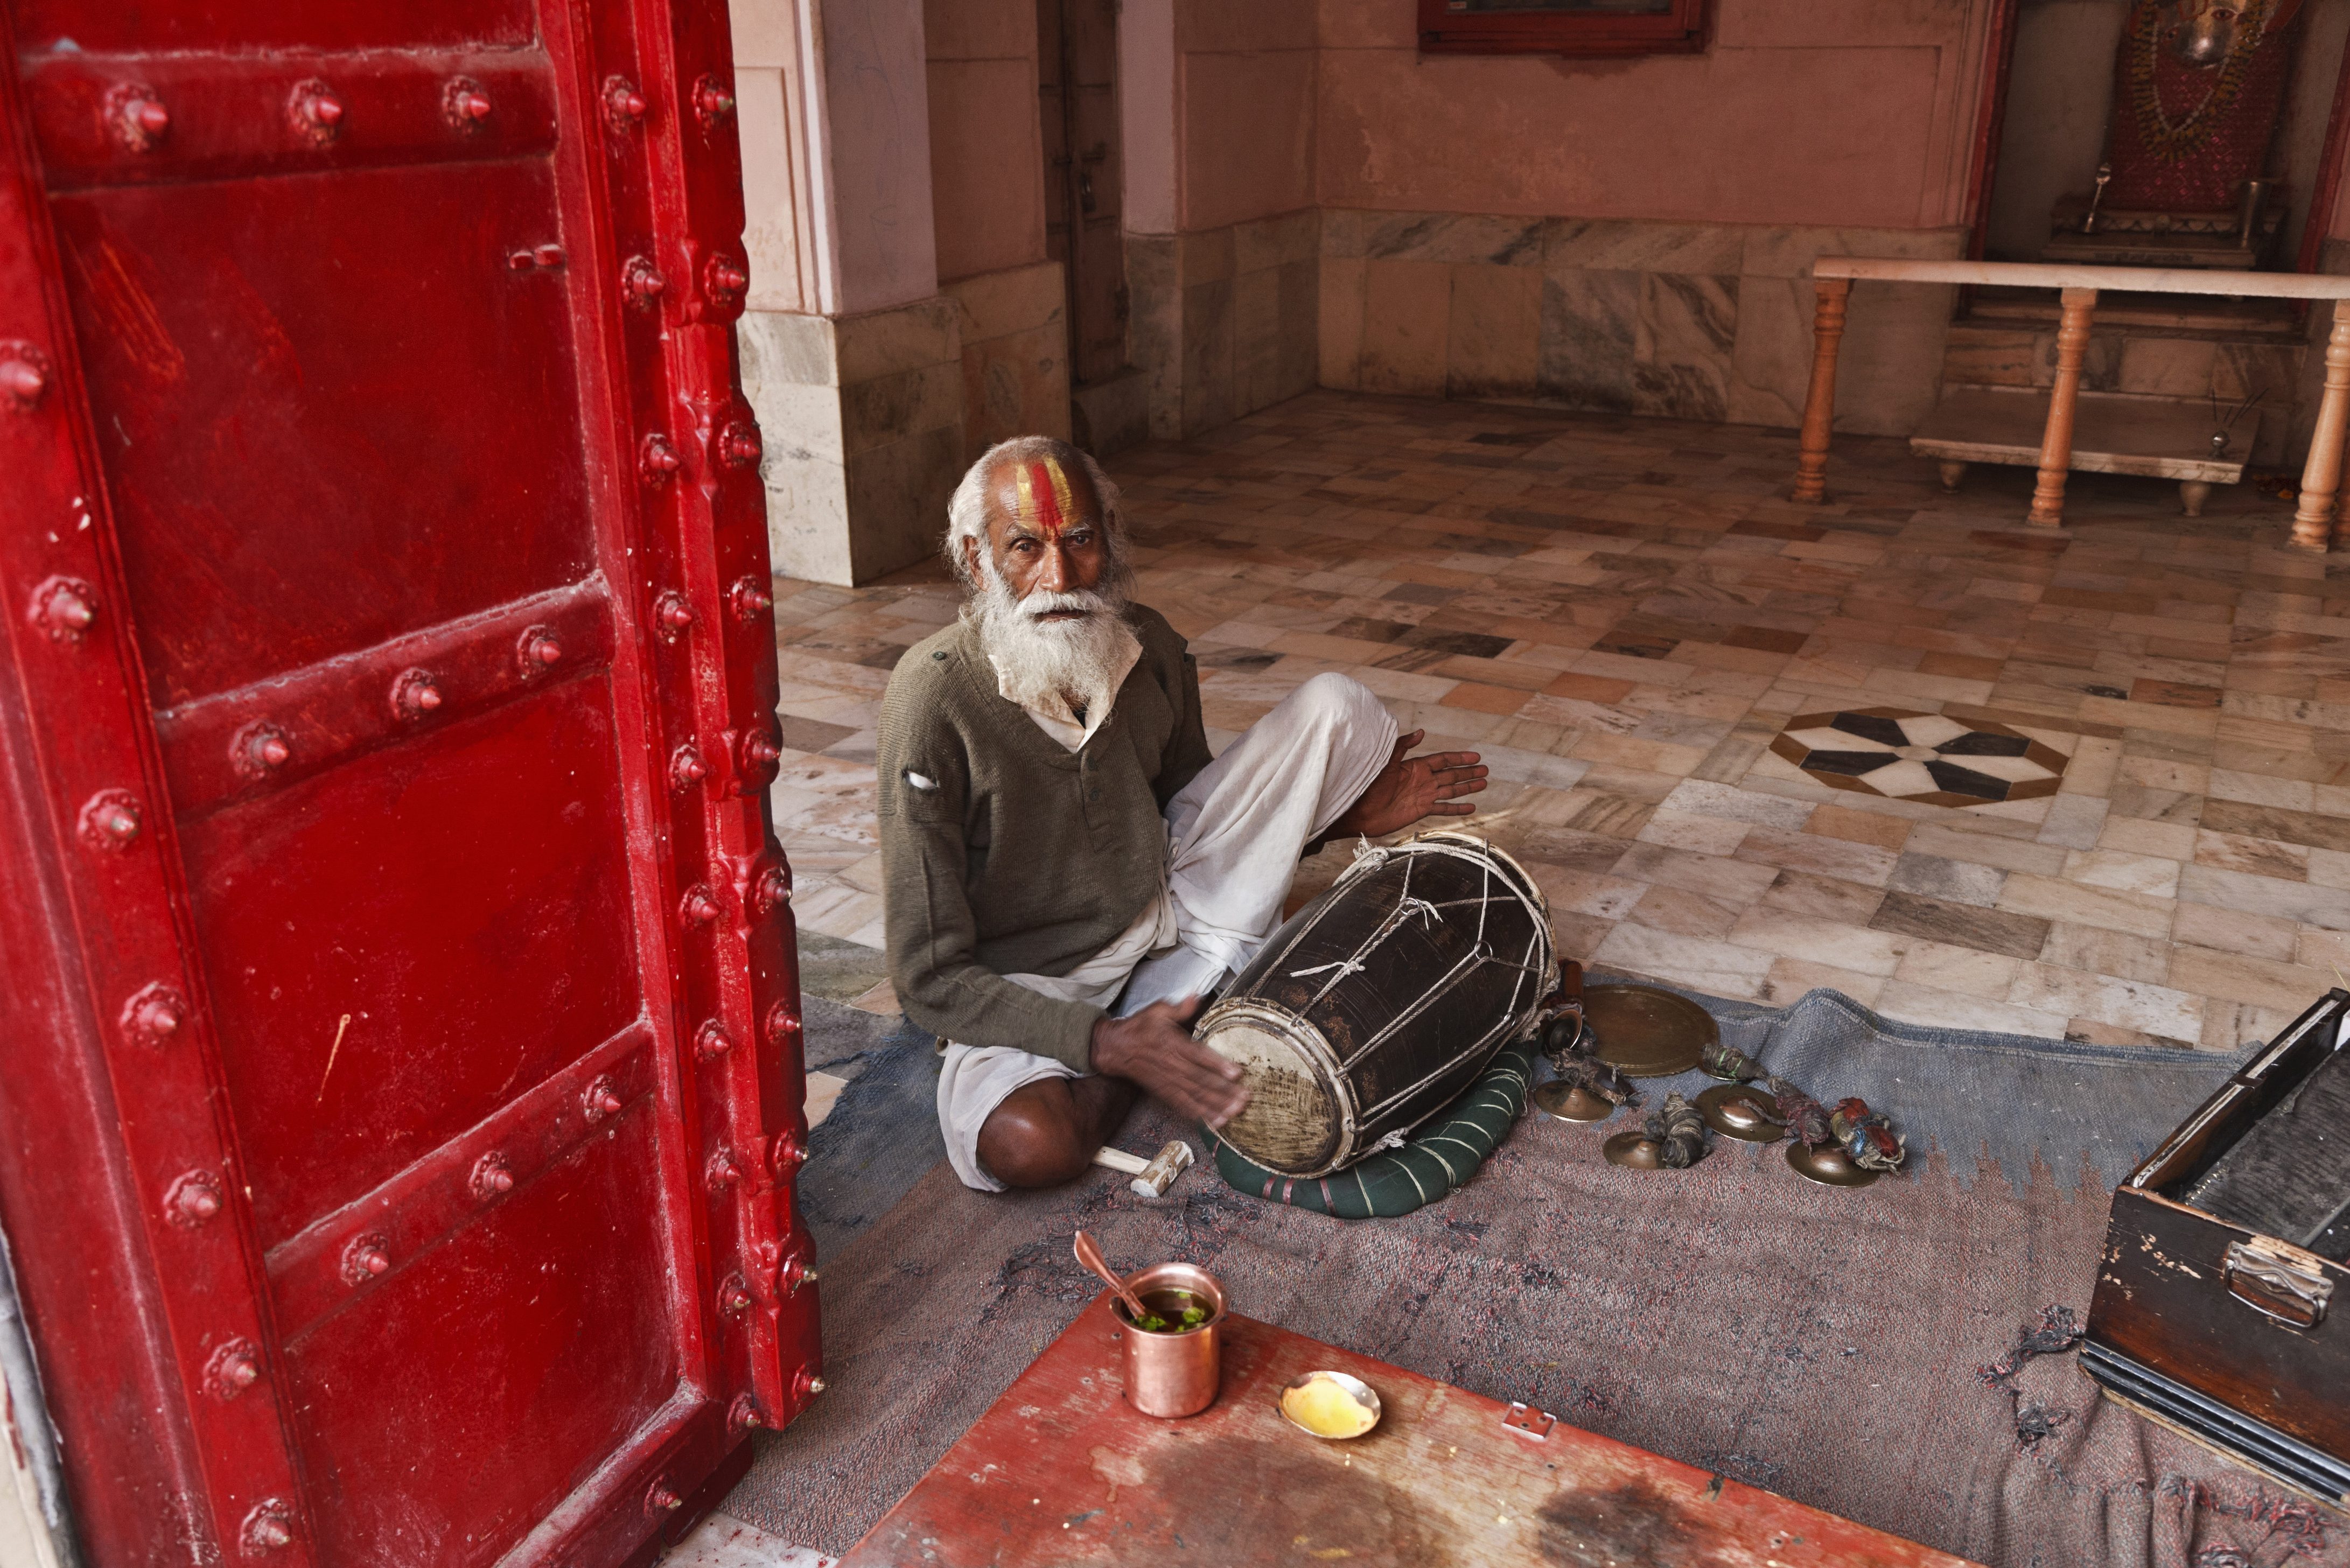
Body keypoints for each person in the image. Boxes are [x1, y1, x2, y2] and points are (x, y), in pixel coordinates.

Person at [877, 435, 1488, 1192]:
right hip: (1036, 983)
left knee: (1338, 708)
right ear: (977, 562)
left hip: (1166, 917)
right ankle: (1156, 1038)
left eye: (1079, 541)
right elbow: (927, 975)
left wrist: (1335, 821)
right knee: (1030, 1143)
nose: (1059, 577)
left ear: (1110, 543)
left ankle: (1165, 1018)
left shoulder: (1150, 645)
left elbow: (1196, 822)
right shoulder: (931, 697)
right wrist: (1106, 1044)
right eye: (1024, 548)